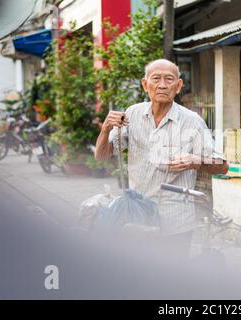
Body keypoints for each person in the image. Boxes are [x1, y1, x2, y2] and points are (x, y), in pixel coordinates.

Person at [94, 59, 228, 258]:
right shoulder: (133, 114)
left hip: (175, 221)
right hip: (137, 216)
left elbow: (223, 166)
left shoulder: (192, 121)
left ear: (179, 86)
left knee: (171, 280)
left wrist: (195, 160)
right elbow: (102, 156)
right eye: (156, 78)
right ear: (145, 84)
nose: (163, 85)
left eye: (169, 79)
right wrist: (105, 129)